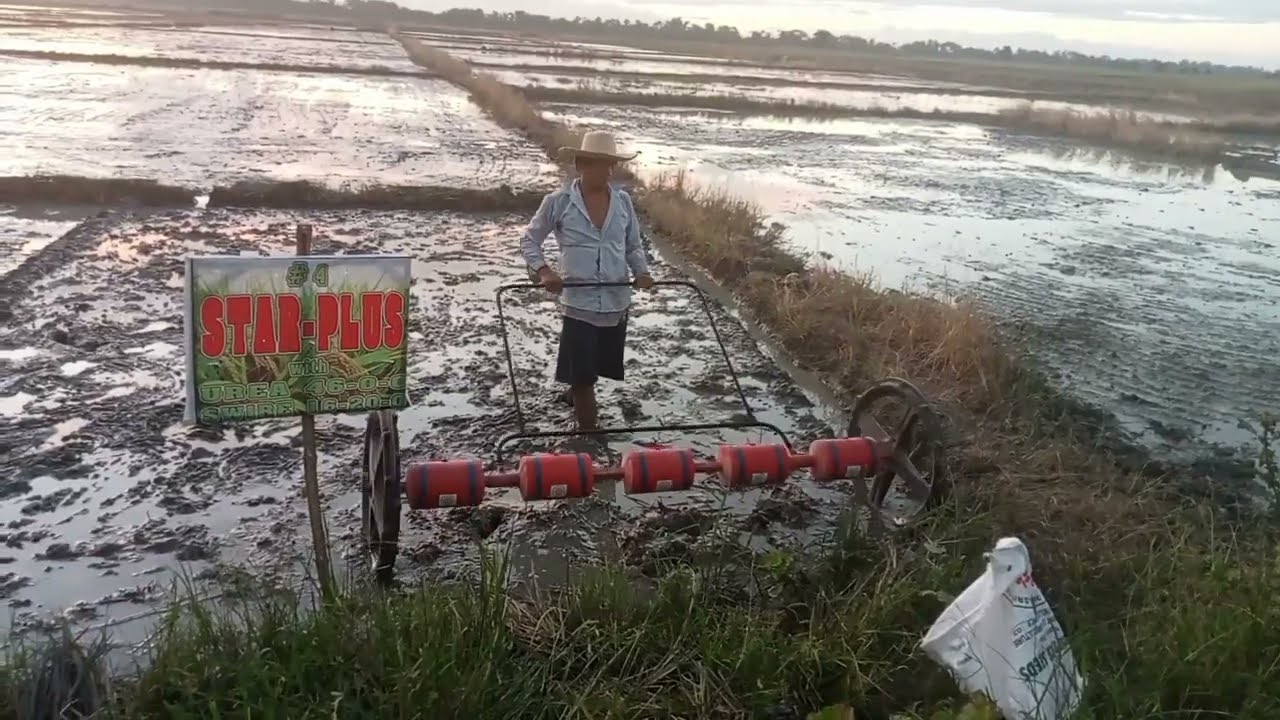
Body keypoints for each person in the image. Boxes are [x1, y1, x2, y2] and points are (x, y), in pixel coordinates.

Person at [520, 130, 655, 432]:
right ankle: (588, 433)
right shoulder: (559, 202)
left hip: (614, 300)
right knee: (583, 376)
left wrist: (641, 272)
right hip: (578, 302)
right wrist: (545, 272)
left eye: (610, 165)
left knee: (596, 363)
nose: (606, 172)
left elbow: (633, 244)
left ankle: (572, 393)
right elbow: (530, 240)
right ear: (582, 164)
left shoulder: (622, 202)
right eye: (598, 164)